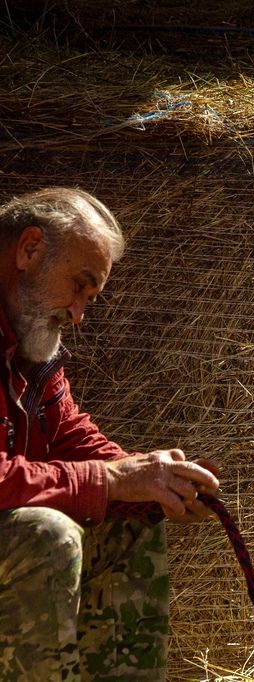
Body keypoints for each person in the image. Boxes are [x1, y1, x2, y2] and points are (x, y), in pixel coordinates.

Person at [0, 187, 222, 681]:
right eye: (79, 286)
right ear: (29, 249)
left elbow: (72, 436)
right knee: (47, 534)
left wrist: (153, 479)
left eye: (90, 297)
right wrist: (108, 480)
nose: (78, 313)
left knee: (130, 521)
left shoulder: (29, 345)